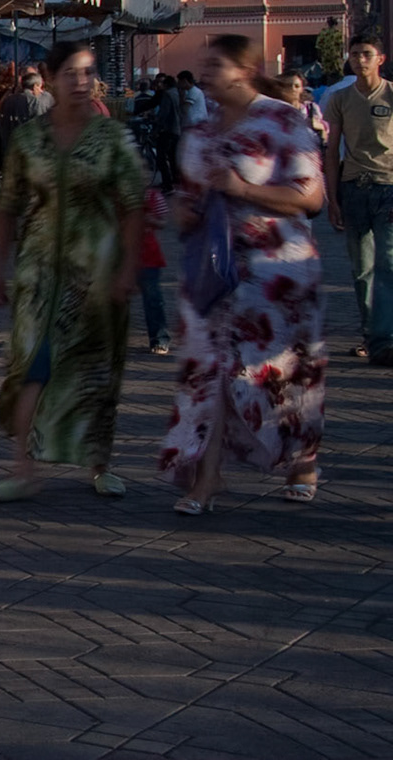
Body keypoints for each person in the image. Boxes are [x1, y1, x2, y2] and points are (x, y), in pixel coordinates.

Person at [161, 34, 326, 511]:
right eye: (204, 64)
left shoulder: (281, 119)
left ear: (246, 71)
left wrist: (242, 189)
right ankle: (206, 479)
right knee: (211, 373)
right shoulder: (201, 131)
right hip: (216, 274)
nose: (205, 72)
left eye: (217, 64)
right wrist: (185, 211)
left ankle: (302, 460)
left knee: (283, 375)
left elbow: (310, 198)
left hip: (278, 273)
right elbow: (188, 196)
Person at [0, 40, 144, 501]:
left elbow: (134, 204)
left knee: (95, 368)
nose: (80, 82)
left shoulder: (112, 137)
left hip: (97, 267)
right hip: (38, 268)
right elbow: (8, 207)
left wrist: (129, 268)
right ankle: (23, 468)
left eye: (87, 72)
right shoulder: (30, 139)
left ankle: (100, 465)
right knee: (32, 361)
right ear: (49, 78)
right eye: (70, 73)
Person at [322, 33, 393, 367]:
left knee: (388, 265)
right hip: (353, 188)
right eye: (354, 54)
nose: (359, 60)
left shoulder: (391, 94)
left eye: (366, 54)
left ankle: (384, 338)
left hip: (388, 188)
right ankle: (371, 334)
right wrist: (332, 198)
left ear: (380, 58)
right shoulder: (340, 99)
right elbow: (332, 149)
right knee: (361, 269)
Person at [139, 177, 171, 354]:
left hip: (148, 257)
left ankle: (159, 338)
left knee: (153, 300)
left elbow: (164, 222)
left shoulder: (153, 197)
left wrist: (152, 220)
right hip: (122, 255)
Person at [0, 69, 51, 165]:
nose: (42, 90)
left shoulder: (9, 101)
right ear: (35, 86)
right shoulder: (43, 99)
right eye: (41, 87)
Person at [281, 70, 329, 150]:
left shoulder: (310, 108)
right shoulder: (277, 109)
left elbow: (326, 129)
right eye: (289, 85)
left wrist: (316, 124)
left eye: (297, 86)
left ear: (302, 89)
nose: (293, 89)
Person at [152, 74, 183, 192]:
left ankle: (167, 184)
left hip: (167, 130)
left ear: (166, 84)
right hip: (177, 129)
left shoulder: (167, 94)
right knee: (172, 157)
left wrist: (156, 129)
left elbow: (164, 114)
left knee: (161, 158)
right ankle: (176, 181)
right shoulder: (178, 93)